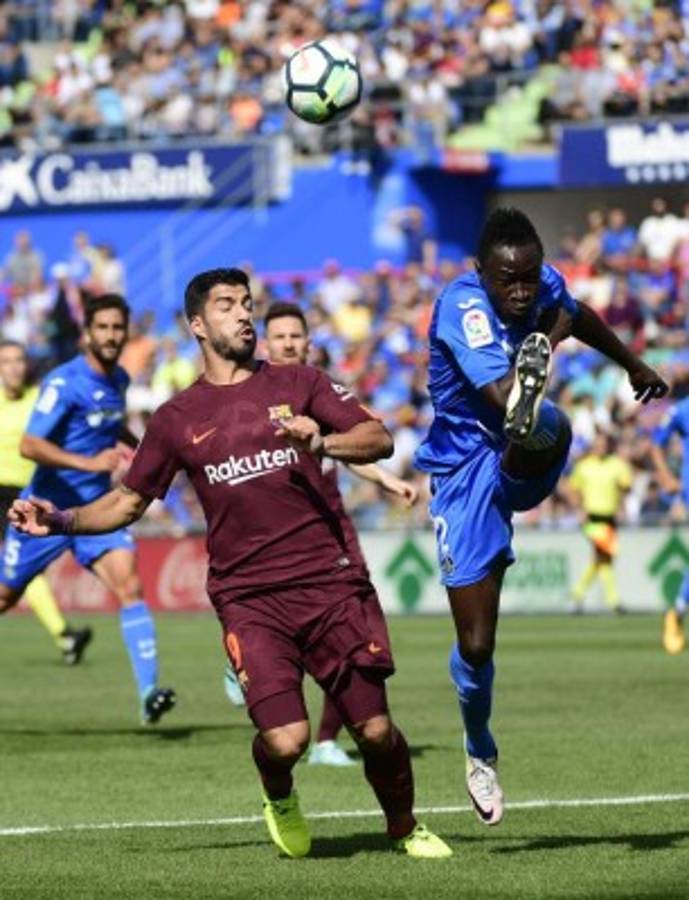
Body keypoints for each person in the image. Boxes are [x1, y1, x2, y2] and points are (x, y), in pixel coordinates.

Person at [9, 268, 451, 860]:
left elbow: (376, 438)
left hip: (330, 583)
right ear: (197, 324)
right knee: (287, 740)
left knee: (373, 730)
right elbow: (128, 501)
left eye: (247, 304)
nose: (244, 314)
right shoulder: (175, 418)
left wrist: (320, 442)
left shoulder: (300, 381)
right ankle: (280, 795)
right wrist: (60, 519)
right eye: (226, 306)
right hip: (249, 598)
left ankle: (404, 827)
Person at [414, 207, 667, 828]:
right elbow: (500, 395)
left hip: (523, 456)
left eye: (530, 277)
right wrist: (542, 348)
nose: (523, 289)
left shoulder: (543, 282)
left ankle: (543, 418)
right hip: (462, 475)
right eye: (510, 281)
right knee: (477, 644)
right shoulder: (462, 308)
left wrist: (631, 363)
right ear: (482, 273)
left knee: (539, 427)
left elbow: (577, 312)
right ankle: (479, 749)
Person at [222, 301, 419, 769]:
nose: (289, 343)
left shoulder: (316, 391)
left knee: (354, 634)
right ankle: (245, 653)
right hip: (268, 543)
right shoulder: (246, 396)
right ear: (265, 342)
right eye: (281, 336)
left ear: (310, 343)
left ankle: (329, 737)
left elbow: (351, 447)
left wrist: (387, 480)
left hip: (328, 529)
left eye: (297, 336)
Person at [0, 295, 176, 725]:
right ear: (87, 333)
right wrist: (88, 462)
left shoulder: (118, 379)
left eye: (118, 328)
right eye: (104, 328)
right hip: (45, 512)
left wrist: (143, 452)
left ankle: (150, 694)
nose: (112, 335)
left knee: (130, 585)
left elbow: (109, 425)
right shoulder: (64, 382)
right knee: (5, 597)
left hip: (98, 511)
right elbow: (30, 444)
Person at [0, 339, 92, 664]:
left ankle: (64, 635)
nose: (13, 367)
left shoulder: (40, 400)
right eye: (6, 361)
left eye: (18, 360)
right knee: (21, 574)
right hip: (2, 494)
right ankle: (64, 635)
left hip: (32, 496)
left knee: (22, 574)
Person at [566, 431, 632, 614]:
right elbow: (573, 489)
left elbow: (625, 487)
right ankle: (614, 601)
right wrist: (579, 510)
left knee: (601, 559)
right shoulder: (584, 466)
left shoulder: (617, 465)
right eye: (597, 444)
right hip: (592, 517)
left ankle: (577, 594)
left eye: (603, 444)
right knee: (604, 556)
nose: (600, 448)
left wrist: (621, 506)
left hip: (610, 518)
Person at [650, 395, 689, 655]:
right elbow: (656, 443)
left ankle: (677, 609)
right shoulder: (682, 409)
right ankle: (677, 610)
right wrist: (665, 476)